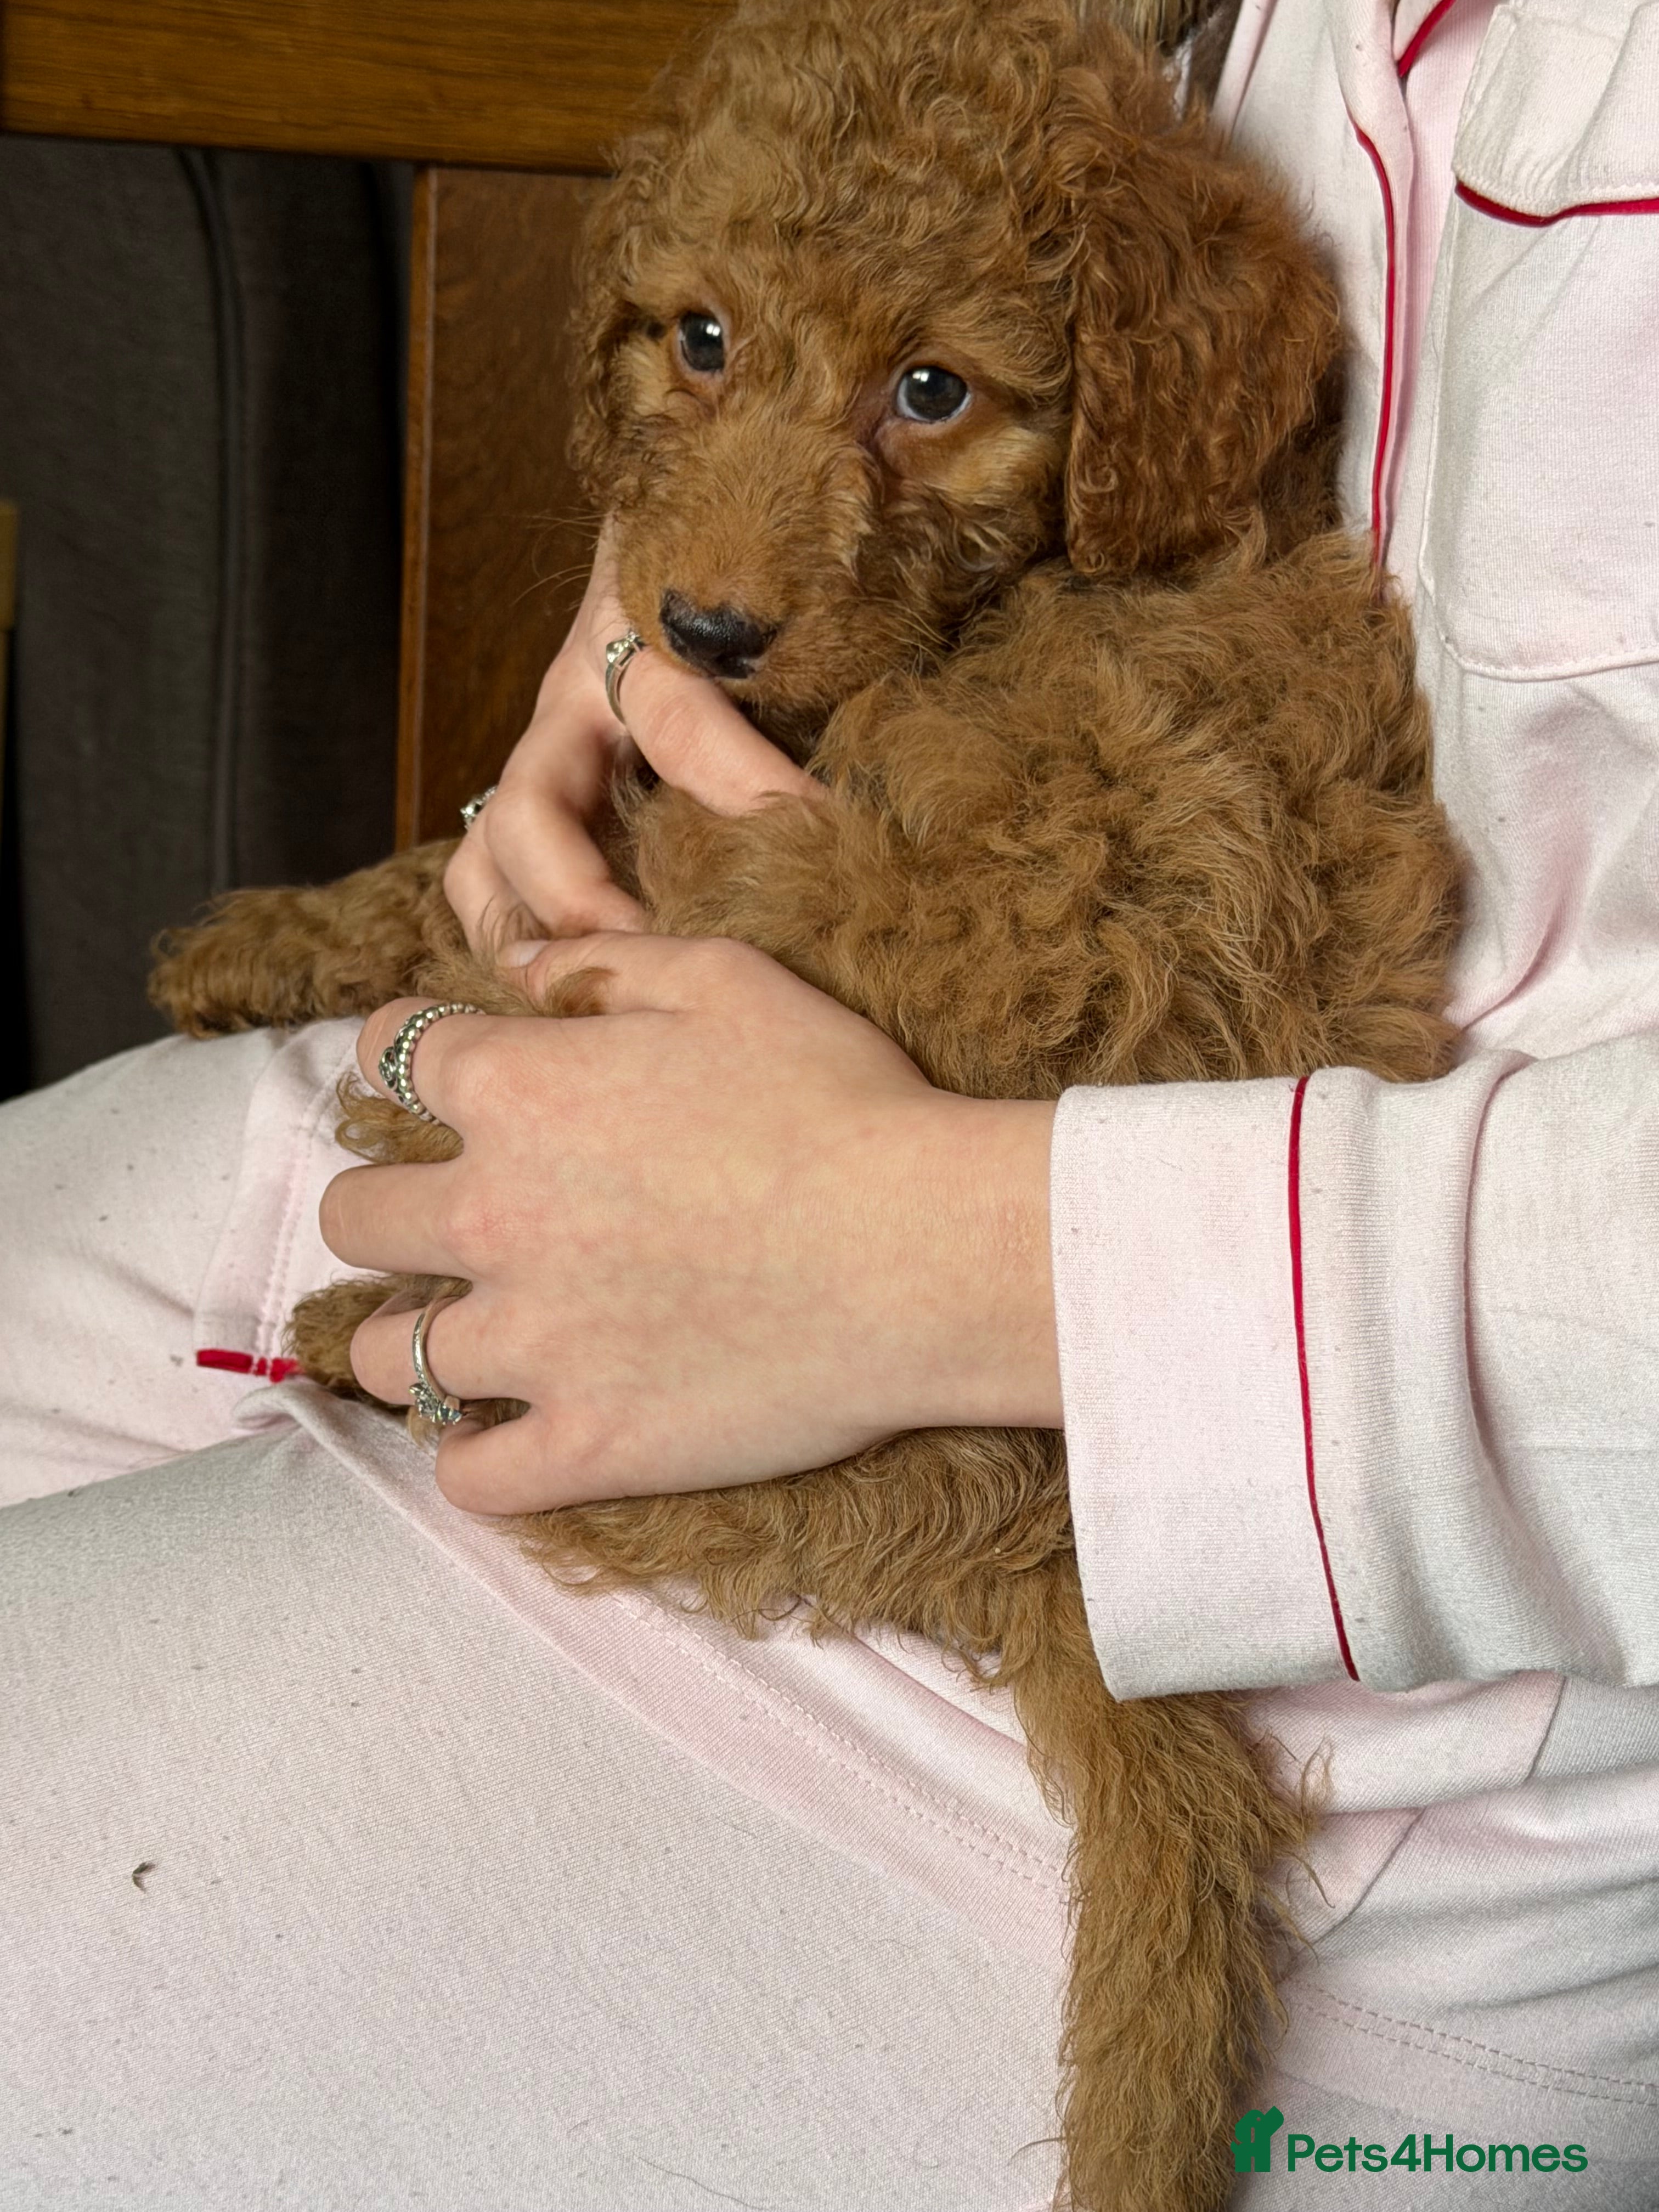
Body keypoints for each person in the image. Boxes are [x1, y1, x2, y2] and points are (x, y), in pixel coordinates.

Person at [3, 0, 1656, 2204]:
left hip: (1372, 1706)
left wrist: (920, 1251)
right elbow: (915, 163)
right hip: (794, 1040)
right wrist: (684, 562)